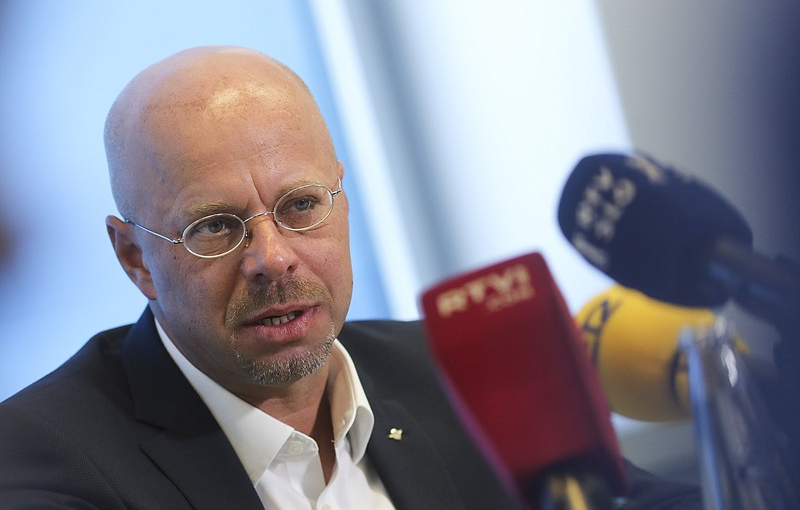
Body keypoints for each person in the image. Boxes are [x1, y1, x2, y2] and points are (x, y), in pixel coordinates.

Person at [0, 46, 702, 509]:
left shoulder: (461, 372)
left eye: (300, 205)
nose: (272, 257)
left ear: (341, 196)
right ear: (134, 258)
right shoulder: (43, 459)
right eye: (215, 225)